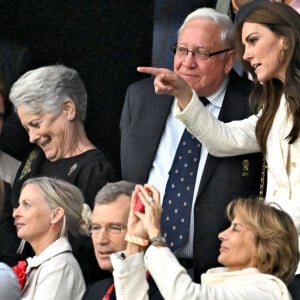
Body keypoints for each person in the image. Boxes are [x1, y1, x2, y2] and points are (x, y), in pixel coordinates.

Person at [136, 2, 300, 298]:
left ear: (284, 40)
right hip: (285, 263)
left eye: (253, 41)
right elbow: (223, 139)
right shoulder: (273, 109)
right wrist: (186, 95)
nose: (247, 56)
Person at [120, 7, 262, 281]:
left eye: (200, 53)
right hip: (146, 267)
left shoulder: (255, 104)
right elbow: (129, 182)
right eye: (181, 50)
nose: (187, 62)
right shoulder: (141, 98)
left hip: (222, 275)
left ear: (229, 59)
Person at [0, 65, 116, 284]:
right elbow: (8, 222)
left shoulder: (95, 171)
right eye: (27, 129)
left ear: (68, 109)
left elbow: (89, 252)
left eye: (36, 124)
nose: (32, 137)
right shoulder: (34, 157)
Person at [111, 185, 299, 299]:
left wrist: (157, 237)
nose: (221, 235)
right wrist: (134, 244)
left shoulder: (266, 293)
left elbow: (185, 296)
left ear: (266, 244)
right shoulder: (217, 285)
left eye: (236, 228)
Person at [82, 181, 163, 300]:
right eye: (96, 227)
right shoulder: (94, 292)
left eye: (115, 228)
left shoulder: (167, 292)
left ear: (143, 227)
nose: (101, 240)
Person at [13, 176, 86, 300]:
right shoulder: (50, 264)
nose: (15, 213)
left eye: (27, 205)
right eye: (18, 205)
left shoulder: (59, 267)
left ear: (56, 215)